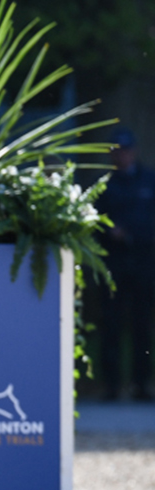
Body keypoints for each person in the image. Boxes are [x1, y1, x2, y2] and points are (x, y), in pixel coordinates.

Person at [95, 128, 155, 400]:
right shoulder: (104, 186)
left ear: (134, 151)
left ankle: (141, 386)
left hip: (144, 263)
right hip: (114, 265)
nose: (122, 155)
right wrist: (111, 233)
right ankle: (111, 387)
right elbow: (93, 224)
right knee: (112, 325)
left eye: (125, 150)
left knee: (143, 325)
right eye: (117, 151)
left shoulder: (150, 181)